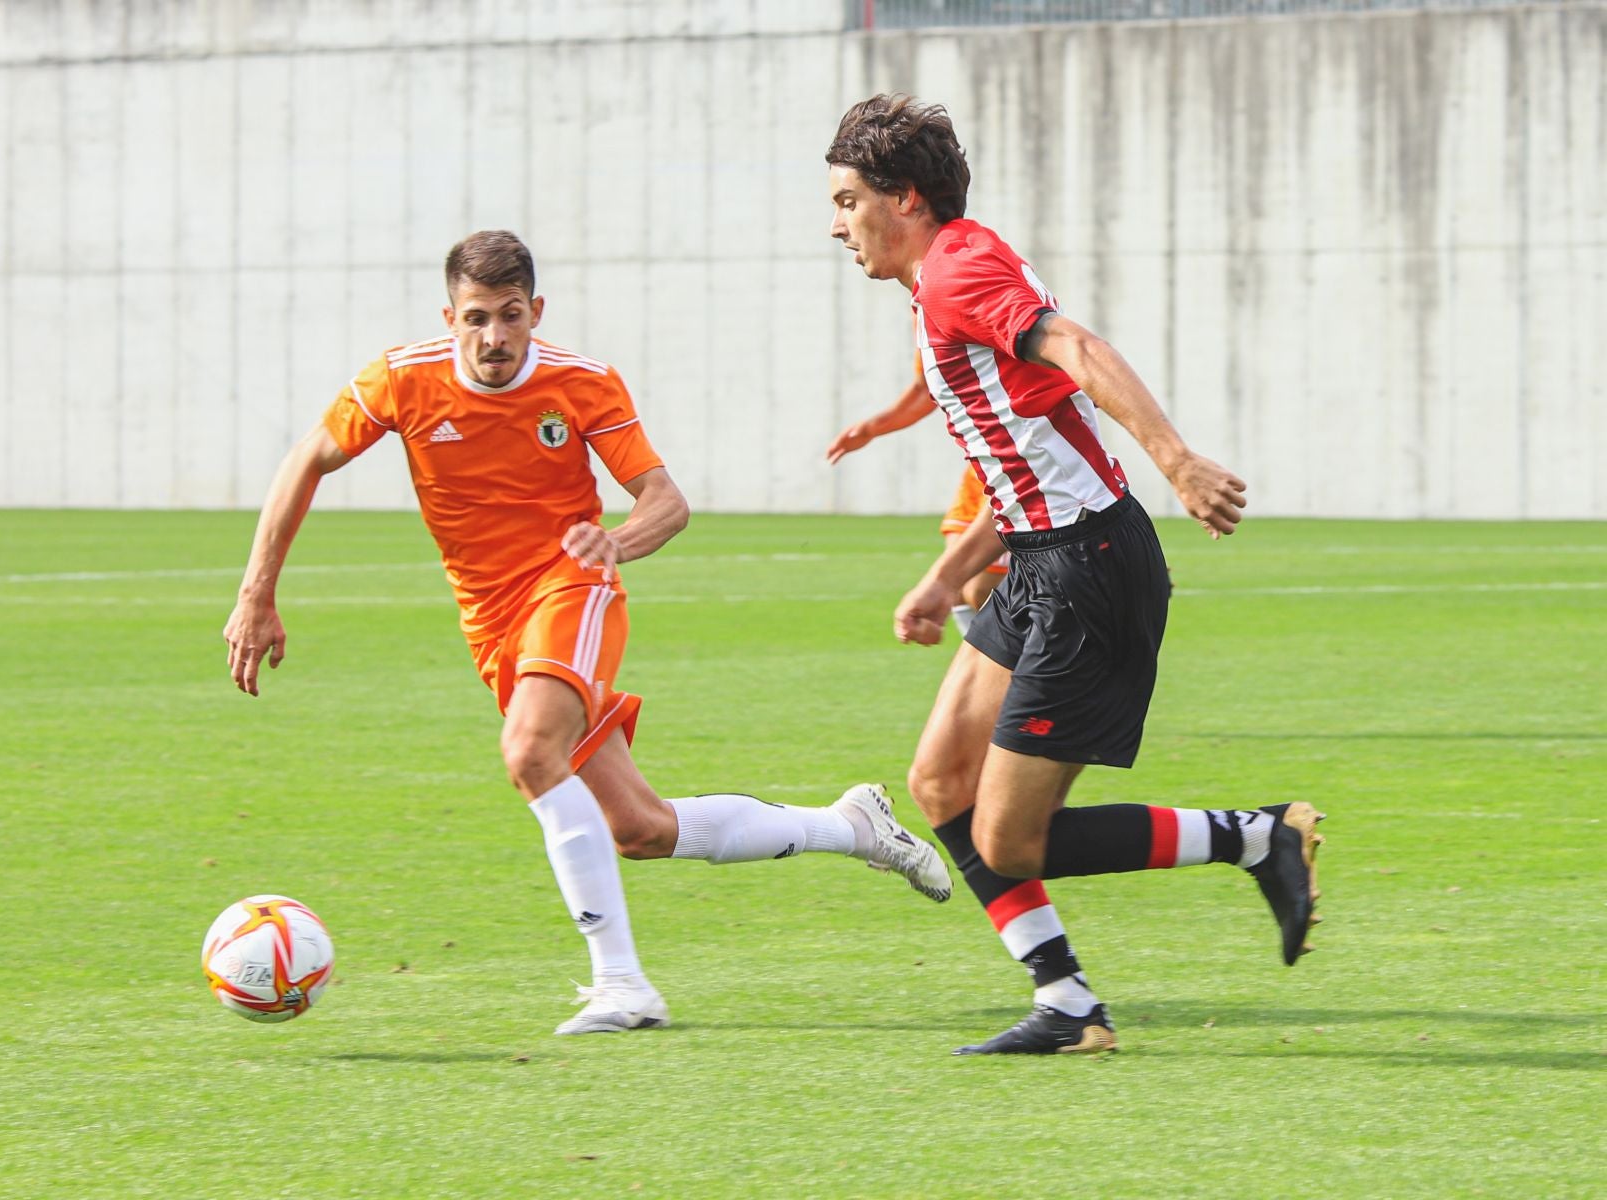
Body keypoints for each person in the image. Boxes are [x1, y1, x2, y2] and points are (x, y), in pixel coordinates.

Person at [222, 230, 951, 1037]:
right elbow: (307, 459)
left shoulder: (582, 384)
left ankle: (623, 986)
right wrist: (257, 593)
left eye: (509, 316)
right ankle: (851, 827)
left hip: (574, 586)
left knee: (529, 752)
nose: (493, 338)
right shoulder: (402, 378)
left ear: (536, 311)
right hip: (492, 622)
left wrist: (617, 541)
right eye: (475, 319)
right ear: (449, 316)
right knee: (638, 828)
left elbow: (664, 501)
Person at [824, 96, 1325, 1055]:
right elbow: (1028, 468)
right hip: (1042, 560)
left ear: (907, 199)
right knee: (938, 784)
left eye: (849, 200)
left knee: (1010, 838)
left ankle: (1259, 838)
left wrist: (1176, 460)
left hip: (1088, 572)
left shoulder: (960, 272)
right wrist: (944, 578)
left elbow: (1081, 350)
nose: (837, 223)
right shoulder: (952, 269)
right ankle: (1068, 1007)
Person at [825, 367, 1009, 633]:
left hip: (1020, 451)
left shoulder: (1000, 327)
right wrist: (874, 427)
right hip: (982, 459)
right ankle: (995, 666)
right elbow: (926, 387)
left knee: (982, 590)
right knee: (961, 589)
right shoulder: (925, 325)